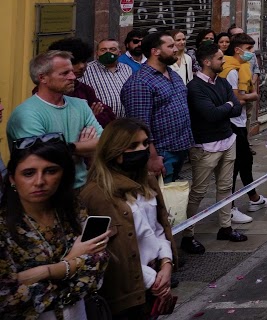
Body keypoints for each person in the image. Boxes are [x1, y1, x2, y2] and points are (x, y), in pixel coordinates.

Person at [0, 135, 110, 320]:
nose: (39, 181)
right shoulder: (4, 226)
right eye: (28, 173)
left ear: (63, 174)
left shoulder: (72, 209)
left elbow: (98, 264)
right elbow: (7, 298)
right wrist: (73, 262)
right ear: (12, 178)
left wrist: (47, 271)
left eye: (50, 171)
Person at [79, 119, 176, 320]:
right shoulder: (96, 195)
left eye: (145, 143)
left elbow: (158, 229)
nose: (142, 149)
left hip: (154, 283)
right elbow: (101, 253)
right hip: (126, 296)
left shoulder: (147, 182)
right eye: (133, 146)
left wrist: (166, 264)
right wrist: (153, 280)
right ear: (114, 151)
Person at [182, 41, 246, 254]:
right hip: (205, 146)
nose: (223, 61)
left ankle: (225, 227)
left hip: (227, 140)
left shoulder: (223, 82)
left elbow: (237, 108)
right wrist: (228, 105)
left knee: (225, 187)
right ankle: (188, 234)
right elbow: (210, 114)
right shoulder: (194, 87)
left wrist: (227, 107)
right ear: (207, 62)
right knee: (198, 191)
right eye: (219, 58)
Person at [6, 51, 102, 189]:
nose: (73, 77)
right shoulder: (27, 114)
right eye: (64, 73)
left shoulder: (80, 105)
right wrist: (83, 148)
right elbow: (44, 159)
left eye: (71, 71)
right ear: (43, 78)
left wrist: (69, 148)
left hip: (82, 187)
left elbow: (103, 143)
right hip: (45, 192)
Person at [121, 31, 193, 182]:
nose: (176, 49)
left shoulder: (172, 74)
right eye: (170, 46)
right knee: (160, 194)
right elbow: (139, 125)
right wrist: (152, 157)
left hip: (179, 148)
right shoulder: (139, 83)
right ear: (155, 51)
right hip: (161, 153)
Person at [218, 35, 267, 219]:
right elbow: (237, 99)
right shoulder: (231, 71)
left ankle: (254, 198)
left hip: (239, 122)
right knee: (234, 167)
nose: (252, 53)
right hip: (233, 123)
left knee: (245, 162)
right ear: (237, 50)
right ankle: (230, 209)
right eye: (249, 49)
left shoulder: (240, 68)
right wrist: (253, 96)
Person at [46, 38, 115, 128]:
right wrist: (89, 117)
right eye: (75, 62)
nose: (82, 66)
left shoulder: (84, 89)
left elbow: (109, 115)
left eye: (84, 61)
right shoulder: (48, 91)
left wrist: (92, 118)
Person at [83, 39, 133, 118]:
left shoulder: (127, 69)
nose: (108, 53)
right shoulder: (86, 70)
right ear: (97, 53)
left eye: (112, 49)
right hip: (100, 120)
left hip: (125, 120)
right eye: (103, 50)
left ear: (119, 53)